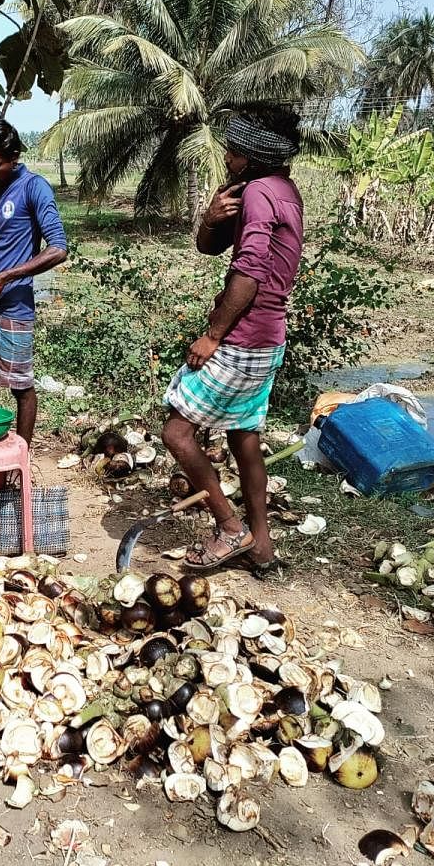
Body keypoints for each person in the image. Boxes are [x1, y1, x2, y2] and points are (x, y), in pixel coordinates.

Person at [161, 105, 305, 577]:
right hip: (270, 336)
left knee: (177, 432)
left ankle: (229, 527)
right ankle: (261, 547)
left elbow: (247, 274)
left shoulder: (261, 193)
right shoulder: (281, 190)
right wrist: (209, 218)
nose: (227, 154)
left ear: (253, 155)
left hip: (243, 337)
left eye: (234, 149)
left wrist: (212, 336)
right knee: (244, 438)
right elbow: (211, 246)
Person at [0, 118, 68, 445]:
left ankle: (21, 454)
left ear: (13, 156)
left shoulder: (34, 187)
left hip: (15, 309)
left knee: (21, 387)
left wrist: (6, 276)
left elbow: (58, 249)